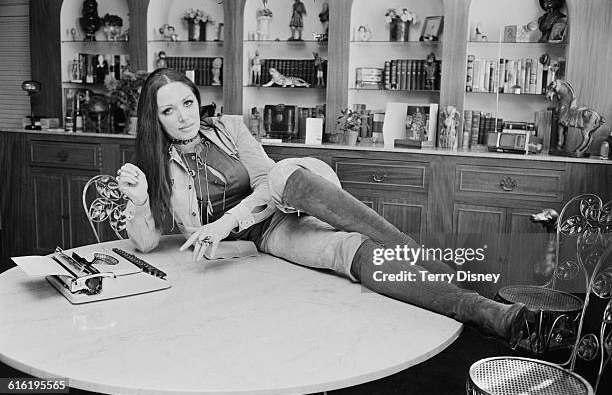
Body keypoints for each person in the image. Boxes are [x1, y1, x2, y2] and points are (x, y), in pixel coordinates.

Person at [116, 68, 528, 346]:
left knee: (279, 175)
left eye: (188, 103)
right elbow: (147, 243)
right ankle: (482, 309)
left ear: (197, 101)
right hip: (267, 237)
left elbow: (265, 183)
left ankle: (439, 272)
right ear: (155, 118)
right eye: (169, 110)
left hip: (282, 201)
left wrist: (226, 221)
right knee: (349, 251)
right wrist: (137, 204)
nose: (184, 117)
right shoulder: (152, 165)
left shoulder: (232, 129)